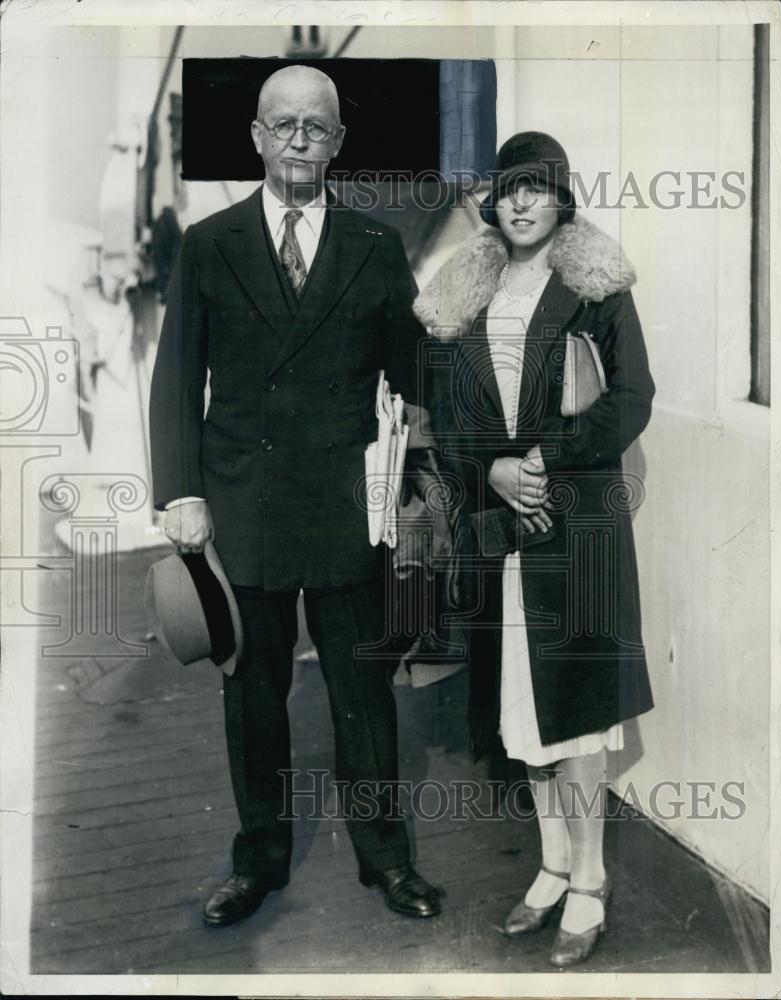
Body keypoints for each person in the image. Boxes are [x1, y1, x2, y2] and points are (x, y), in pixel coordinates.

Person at [149, 65, 443, 927]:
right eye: (282, 125)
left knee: (363, 691)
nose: (298, 140)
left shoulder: (375, 244)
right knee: (252, 695)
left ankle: (385, 861)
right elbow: (176, 379)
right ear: (255, 137)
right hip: (243, 506)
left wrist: (430, 451)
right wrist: (180, 494)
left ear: (339, 142)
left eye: (316, 127)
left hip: (350, 511)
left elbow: (414, 372)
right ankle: (259, 861)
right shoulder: (209, 243)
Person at [413, 132, 655, 966]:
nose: (519, 204)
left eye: (536, 189)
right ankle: (552, 865)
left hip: (575, 525)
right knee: (524, 711)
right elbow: (449, 417)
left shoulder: (594, 287)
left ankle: (588, 880)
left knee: (578, 714)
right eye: (508, 190)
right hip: (501, 527)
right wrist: (493, 469)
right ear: (494, 202)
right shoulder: (468, 292)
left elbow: (631, 399)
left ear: (560, 200)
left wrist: (543, 459)